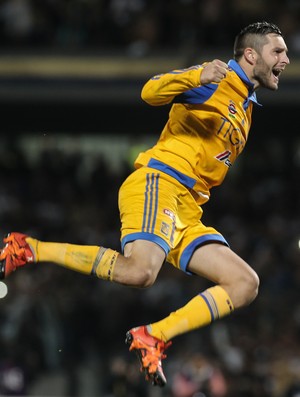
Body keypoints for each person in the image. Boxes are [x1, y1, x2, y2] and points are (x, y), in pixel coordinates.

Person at [0, 21, 289, 387]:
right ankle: (29, 249)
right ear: (251, 54)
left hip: (187, 208)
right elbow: (149, 92)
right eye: (277, 51)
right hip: (160, 183)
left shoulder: (246, 105)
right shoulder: (215, 79)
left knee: (245, 283)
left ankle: (154, 335)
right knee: (140, 272)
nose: (286, 58)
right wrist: (197, 75)